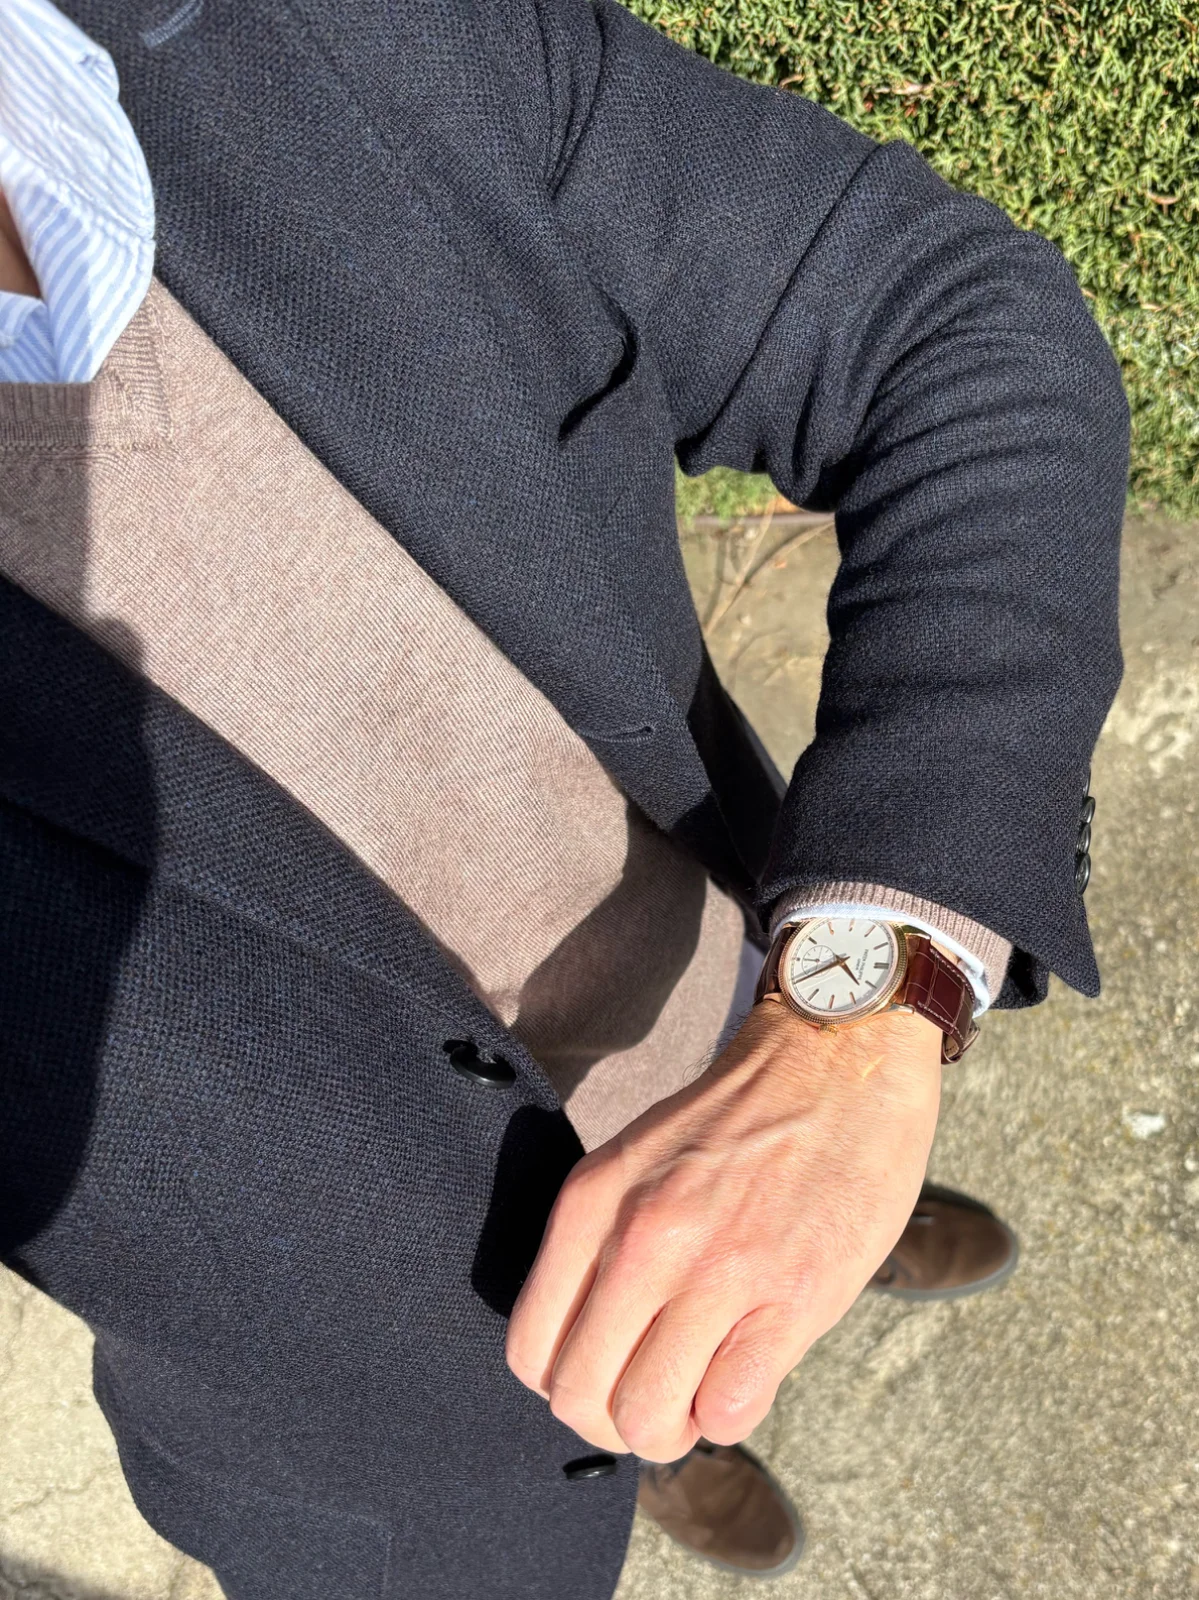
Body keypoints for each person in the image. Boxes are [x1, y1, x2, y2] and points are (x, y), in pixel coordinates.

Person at [0, 0, 1126, 1594]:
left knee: (803, 1160)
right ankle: (678, 1443)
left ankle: (838, 1216)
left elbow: (938, 317)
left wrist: (861, 1016)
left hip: (733, 959)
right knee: (652, 1378)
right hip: (405, 1451)